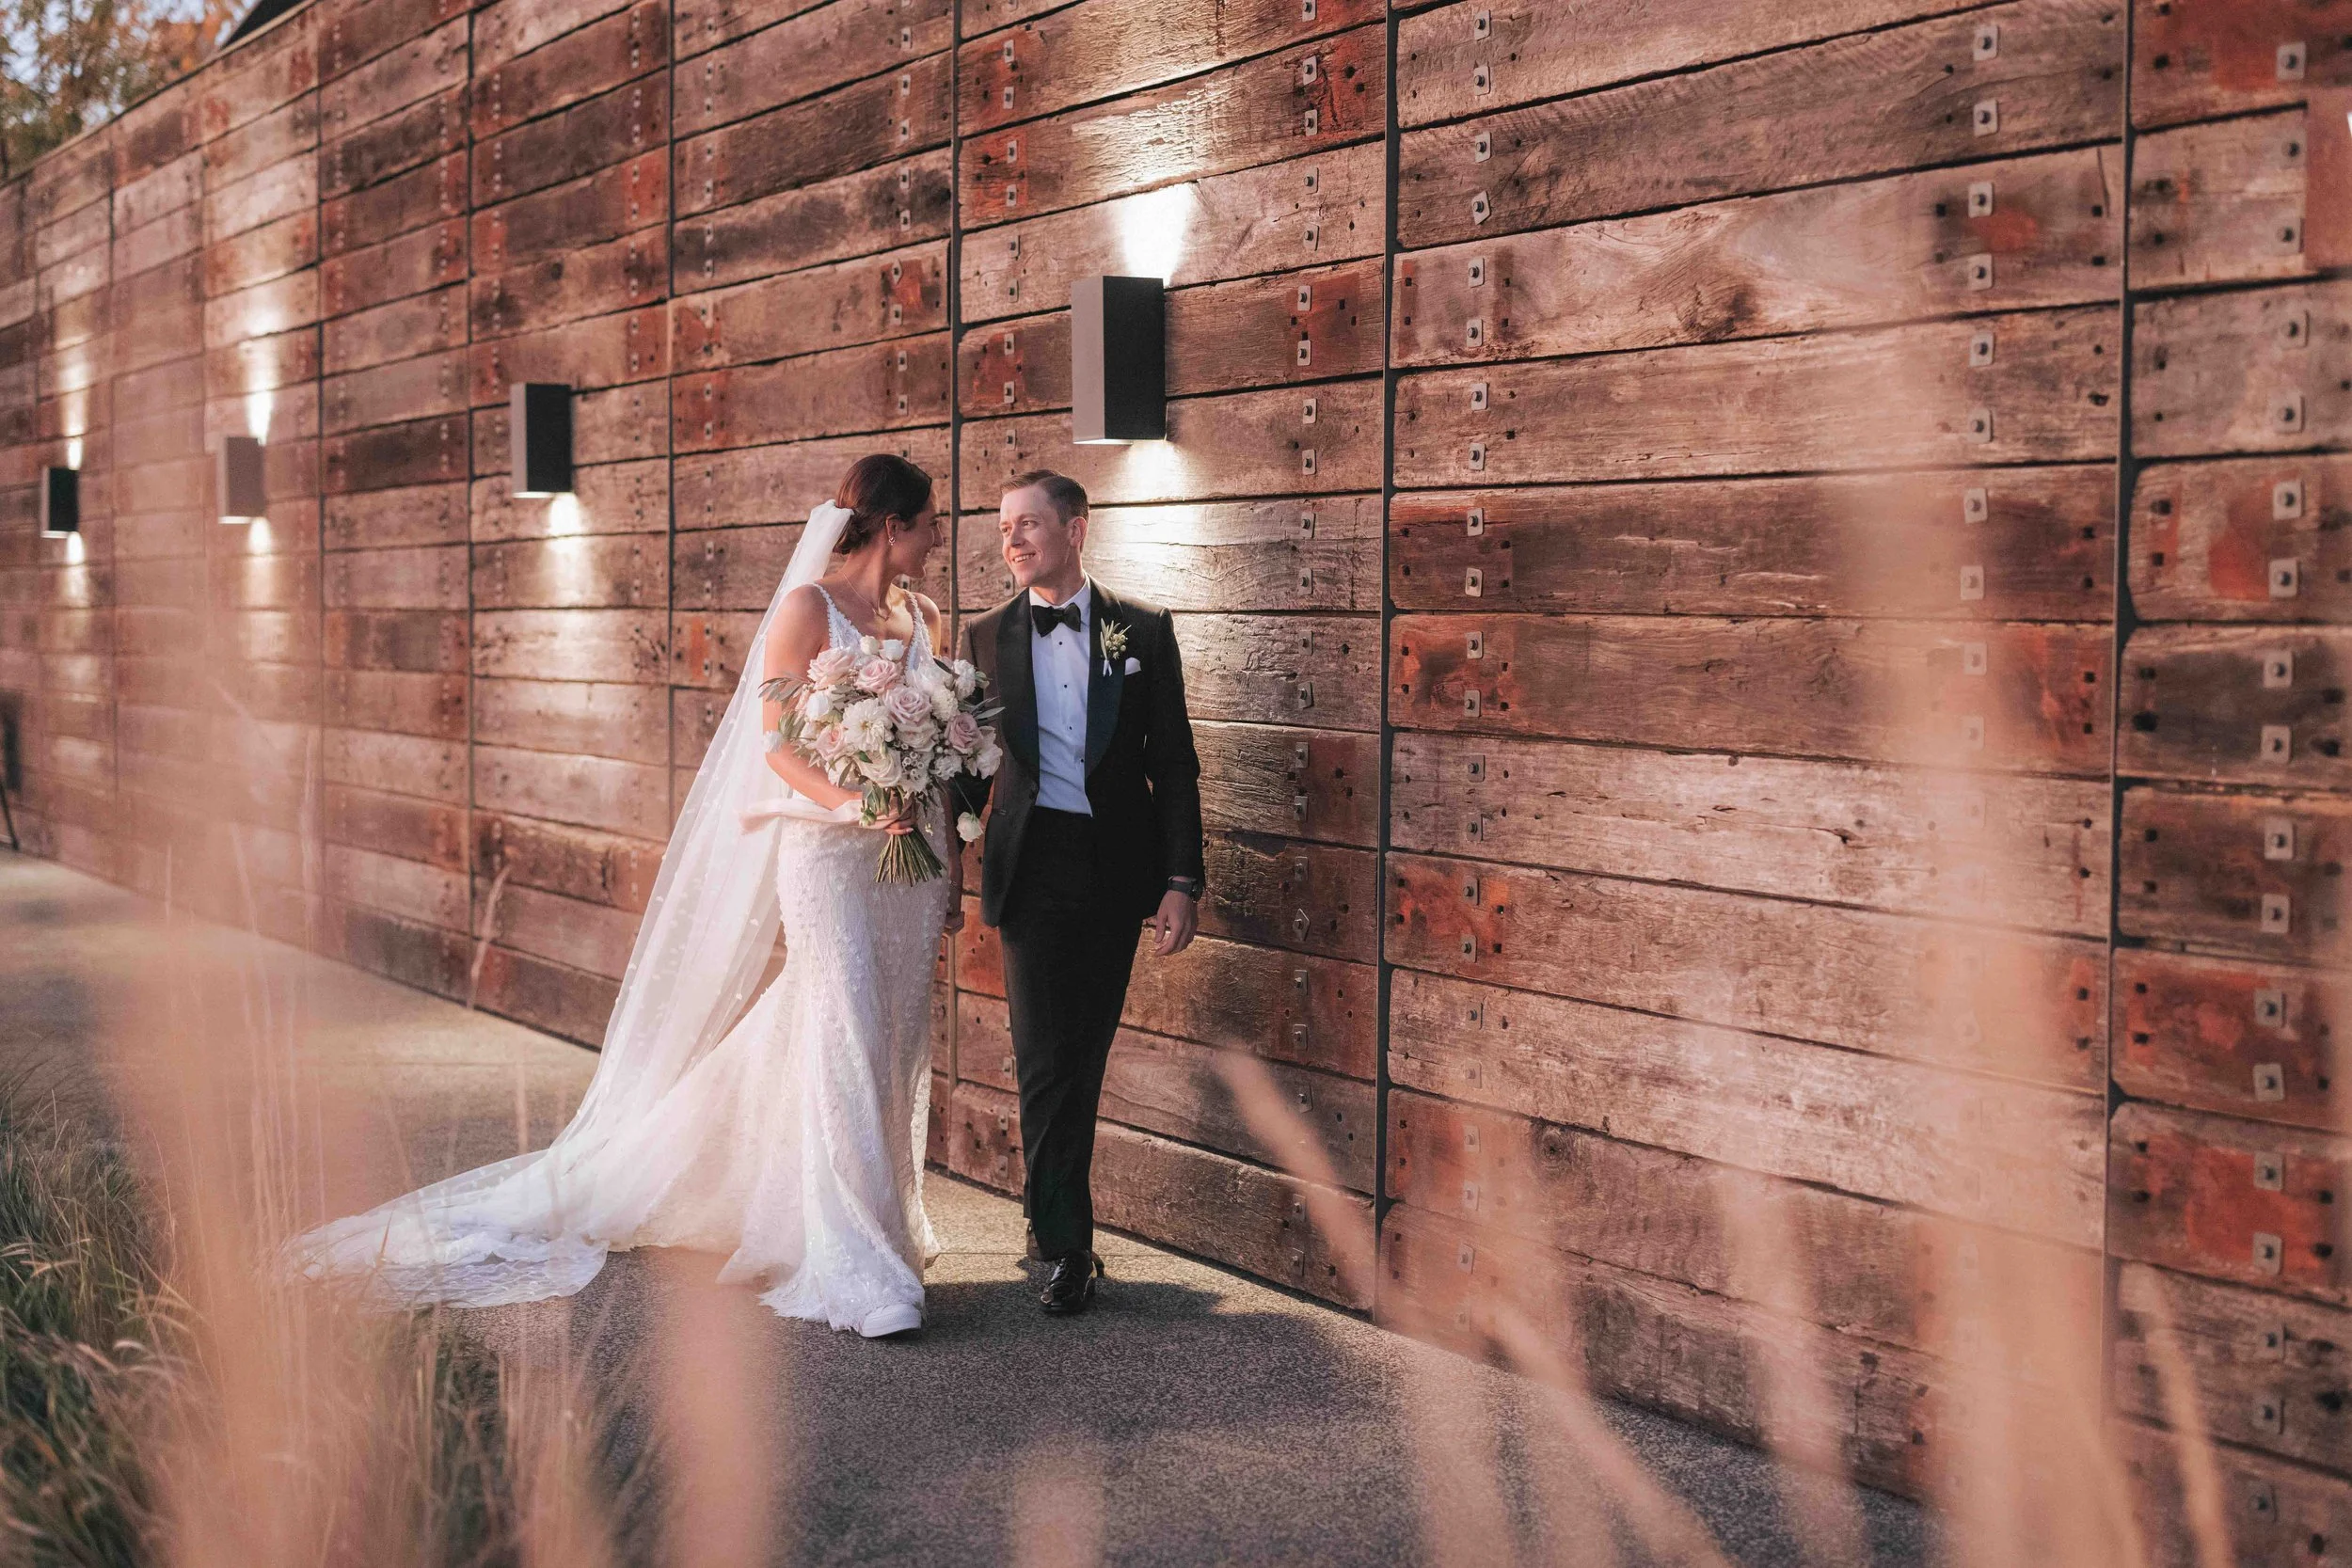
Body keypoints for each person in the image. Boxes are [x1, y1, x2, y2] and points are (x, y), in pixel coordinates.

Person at [292, 454, 959, 1340]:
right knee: (846, 1027)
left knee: (892, 1033)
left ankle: (865, 1215)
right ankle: (857, 1263)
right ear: (891, 526)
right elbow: (776, 746)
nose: (940, 535)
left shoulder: (926, 617)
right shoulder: (807, 609)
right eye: (930, 521)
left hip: (910, 857)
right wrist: (854, 802)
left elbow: (938, 741)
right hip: (830, 851)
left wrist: (941, 852)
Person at [958, 469, 1206, 1316]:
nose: (1013, 540)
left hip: (1112, 866)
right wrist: (910, 822)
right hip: (1029, 866)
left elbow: (1173, 763)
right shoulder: (983, 636)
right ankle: (1069, 1244)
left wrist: (1181, 881)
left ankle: (1047, 1215)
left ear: (1076, 527)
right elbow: (966, 764)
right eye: (1004, 528)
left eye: (1028, 523)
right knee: (1041, 1055)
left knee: (1083, 1054)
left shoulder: (1144, 629)